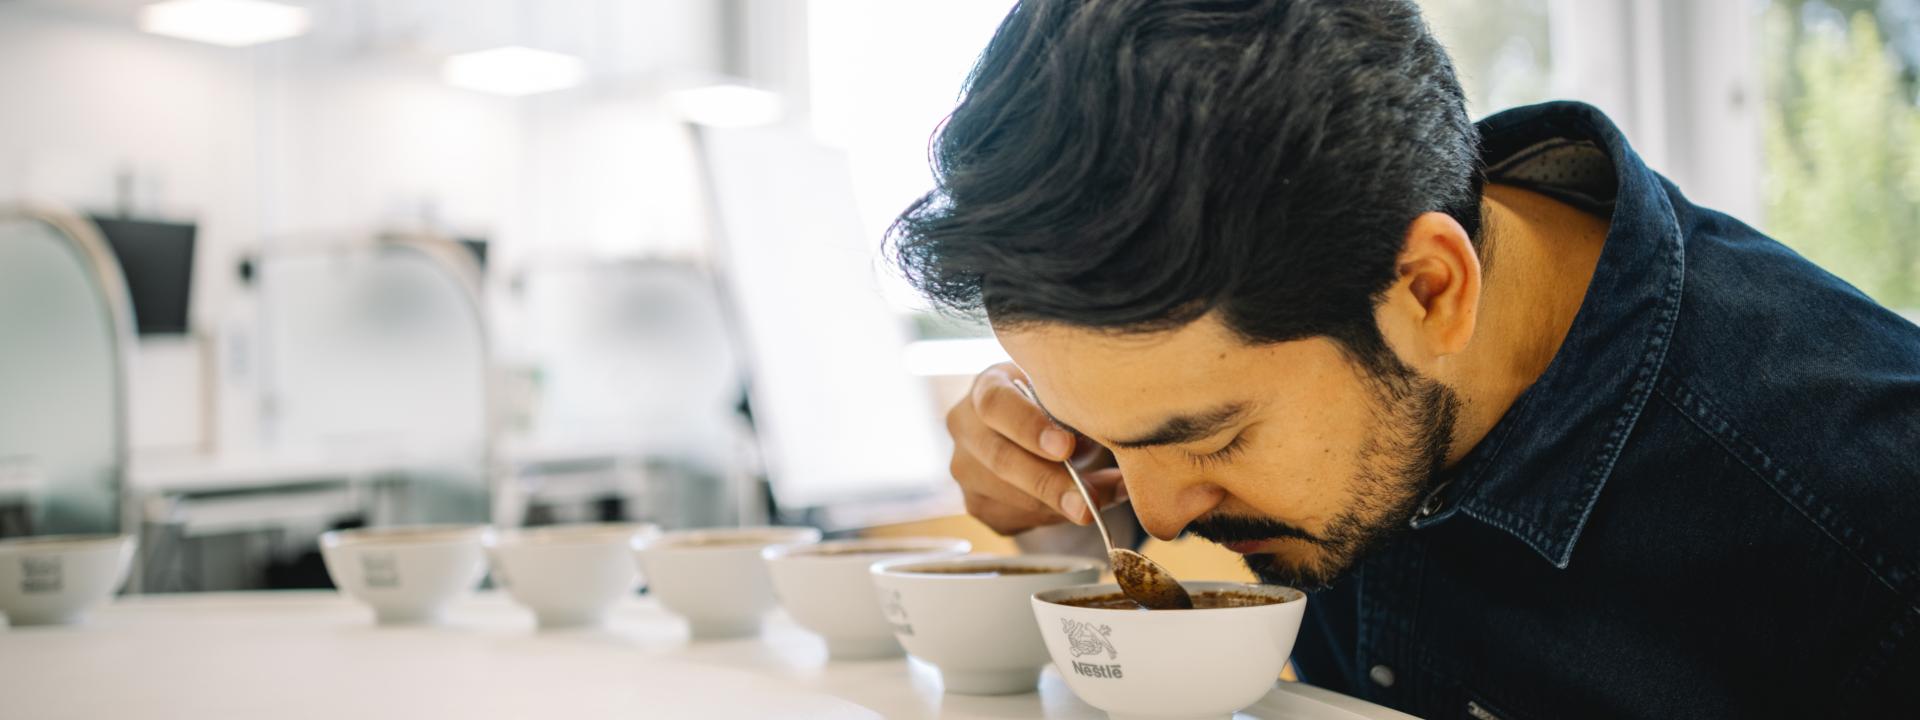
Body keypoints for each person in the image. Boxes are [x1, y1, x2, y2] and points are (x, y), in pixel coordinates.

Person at [887, 1, 1920, 717]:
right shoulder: (1338, 329)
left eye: (1212, 433)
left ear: (1432, 289)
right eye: (1116, 439)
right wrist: (1054, 513)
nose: (1155, 520)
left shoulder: (1870, 525)